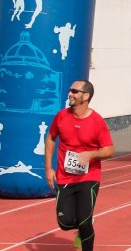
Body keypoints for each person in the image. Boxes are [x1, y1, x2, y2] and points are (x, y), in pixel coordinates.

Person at [45, 80, 114, 251]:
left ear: (86, 96)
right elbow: (51, 138)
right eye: (70, 90)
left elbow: (109, 150)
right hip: (64, 176)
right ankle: (82, 228)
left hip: (89, 177)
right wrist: (48, 168)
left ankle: (85, 232)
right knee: (65, 223)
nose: (70, 94)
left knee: (84, 221)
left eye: (75, 91)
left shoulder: (97, 121)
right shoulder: (61, 116)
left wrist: (91, 154)